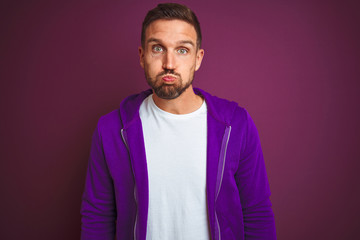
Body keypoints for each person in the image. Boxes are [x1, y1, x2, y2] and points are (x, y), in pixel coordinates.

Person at [80, 3, 276, 240]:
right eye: (158, 48)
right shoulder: (111, 130)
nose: (169, 63)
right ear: (142, 56)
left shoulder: (236, 125)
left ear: (198, 58)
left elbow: (257, 213)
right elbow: (97, 216)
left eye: (182, 50)